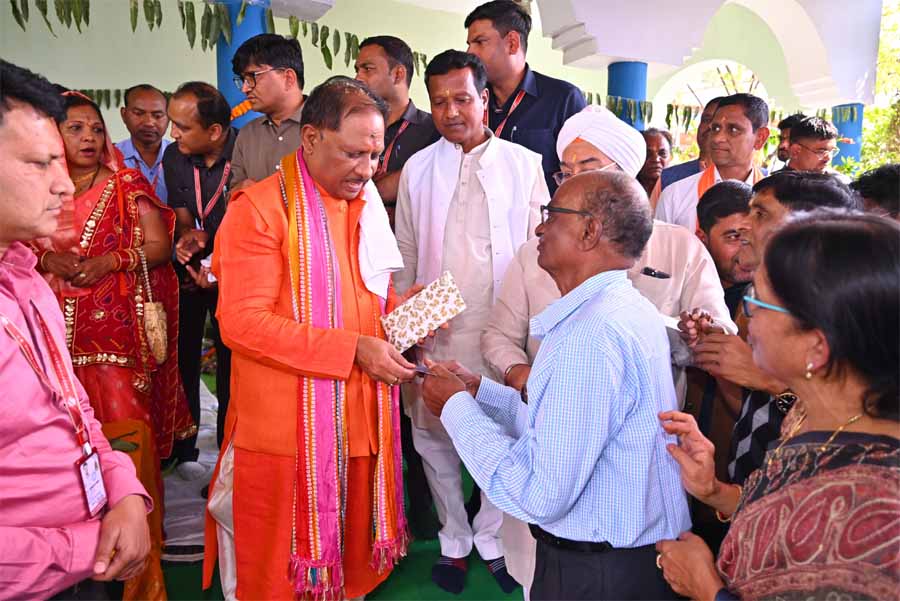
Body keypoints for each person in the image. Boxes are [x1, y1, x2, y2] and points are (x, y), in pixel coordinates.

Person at [480, 105, 733, 595]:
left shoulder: (679, 248)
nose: (573, 181)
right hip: (548, 443)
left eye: (588, 167)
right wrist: (521, 377)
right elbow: (497, 336)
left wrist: (693, 335)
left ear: (624, 174)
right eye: (565, 171)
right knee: (546, 564)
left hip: (635, 473)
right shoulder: (539, 251)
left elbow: (718, 338)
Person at [421, 170, 691, 600]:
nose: (539, 228)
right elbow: (564, 427)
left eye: (552, 214)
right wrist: (479, 394)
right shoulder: (618, 309)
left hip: (598, 575)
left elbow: (539, 493)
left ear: (589, 231)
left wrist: (455, 408)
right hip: (621, 562)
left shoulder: (590, 335)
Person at [204, 76, 416, 600]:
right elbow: (242, 323)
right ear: (312, 138)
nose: (366, 170)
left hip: (362, 422)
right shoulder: (259, 210)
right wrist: (354, 349)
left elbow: (370, 301)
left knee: (349, 573)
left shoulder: (366, 205)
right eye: (352, 154)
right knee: (278, 579)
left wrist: (408, 317)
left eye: (374, 156)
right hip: (288, 432)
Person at [656, 211, 900, 601]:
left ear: (816, 347)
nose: (747, 317)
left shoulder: (877, 507)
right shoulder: (812, 413)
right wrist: (713, 490)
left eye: (760, 303)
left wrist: (708, 590)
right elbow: (782, 509)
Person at [394, 49, 546, 595]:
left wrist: (531, 329)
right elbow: (406, 251)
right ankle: (454, 539)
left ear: (484, 99)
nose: (451, 111)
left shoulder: (525, 164)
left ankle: (492, 536)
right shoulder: (418, 168)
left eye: (462, 99)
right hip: (435, 328)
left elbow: (540, 253)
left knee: (504, 432)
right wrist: (406, 325)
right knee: (433, 439)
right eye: (439, 102)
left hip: (500, 327)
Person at [0, 58, 151, 601]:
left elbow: (73, 409)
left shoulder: (24, 275)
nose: (64, 185)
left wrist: (124, 491)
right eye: (40, 164)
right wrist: (82, 550)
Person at [33, 90, 194, 598]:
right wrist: (46, 260)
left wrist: (110, 261)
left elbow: (158, 246)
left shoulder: (126, 184)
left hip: (116, 338)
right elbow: (16, 246)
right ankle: (76, 560)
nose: (88, 138)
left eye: (95, 129)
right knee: (61, 447)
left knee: (128, 439)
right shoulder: (38, 187)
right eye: (75, 128)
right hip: (48, 340)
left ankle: (142, 572)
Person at [681, 171, 859, 487]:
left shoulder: (846, 311)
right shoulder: (760, 292)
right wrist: (722, 362)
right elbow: (752, 415)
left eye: (760, 214)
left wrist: (768, 380)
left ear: (807, 226)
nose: (746, 226)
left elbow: (851, 428)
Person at [163, 81, 236, 469]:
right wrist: (187, 240)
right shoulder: (174, 157)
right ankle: (184, 446)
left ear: (214, 131)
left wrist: (214, 247)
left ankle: (228, 457)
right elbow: (183, 213)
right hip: (191, 272)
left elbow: (248, 220)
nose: (173, 133)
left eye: (182, 126)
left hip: (234, 273)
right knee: (183, 355)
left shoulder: (243, 152)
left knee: (231, 367)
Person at [465, 0, 586, 193]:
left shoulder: (563, 99)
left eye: (479, 42)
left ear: (512, 43)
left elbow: (582, 176)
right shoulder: (470, 101)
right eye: (469, 44)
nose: (470, 52)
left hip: (541, 211)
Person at [355, 35, 440, 226]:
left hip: (411, 241)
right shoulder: (354, 128)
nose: (358, 78)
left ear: (398, 74)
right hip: (358, 237)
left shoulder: (434, 130)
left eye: (367, 69)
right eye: (357, 70)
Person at [656, 93, 770, 232]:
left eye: (733, 130)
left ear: (760, 138)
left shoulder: (776, 201)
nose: (717, 138)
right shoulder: (675, 196)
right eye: (715, 128)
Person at [229, 33, 306, 192]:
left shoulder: (327, 126)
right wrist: (241, 190)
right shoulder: (247, 135)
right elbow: (232, 195)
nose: (245, 88)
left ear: (288, 78)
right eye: (243, 80)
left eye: (252, 77)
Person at [653, 96, 724, 203]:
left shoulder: (748, 179)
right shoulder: (668, 178)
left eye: (718, 122)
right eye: (706, 120)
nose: (710, 126)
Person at [116, 84, 170, 203]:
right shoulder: (111, 158)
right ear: (124, 115)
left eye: (157, 116)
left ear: (168, 117)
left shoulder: (183, 157)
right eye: (138, 113)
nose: (149, 122)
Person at [637, 126, 673, 204]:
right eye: (648, 154)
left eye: (662, 153)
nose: (656, 159)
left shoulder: (677, 191)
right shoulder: (625, 191)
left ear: (670, 158)